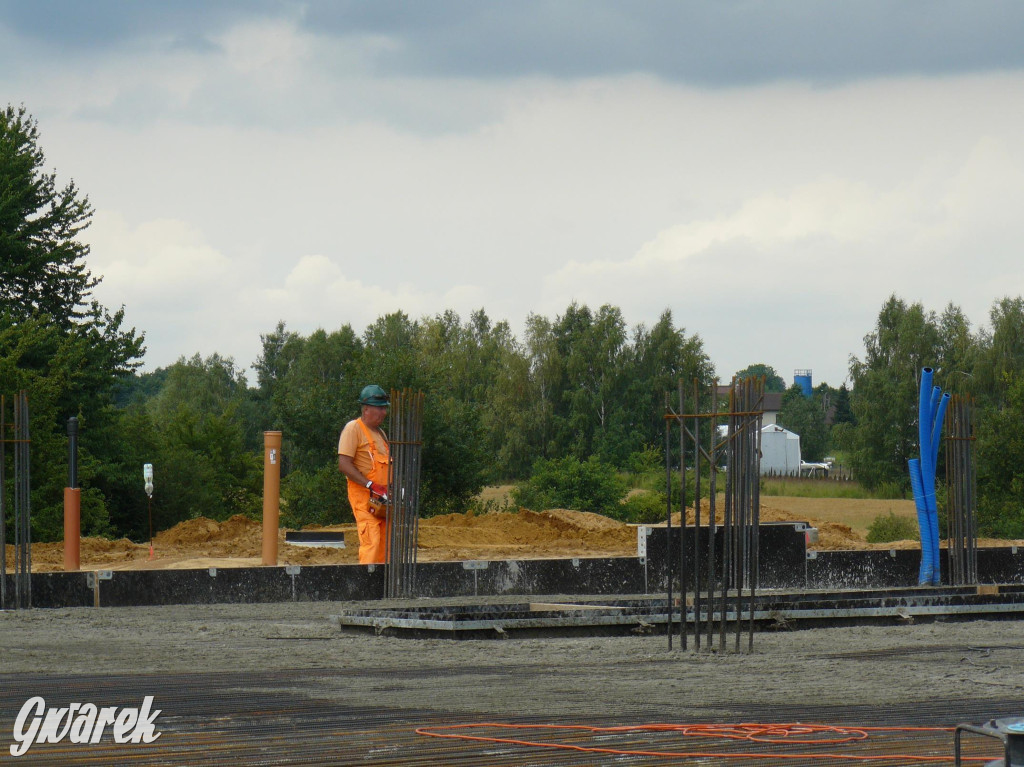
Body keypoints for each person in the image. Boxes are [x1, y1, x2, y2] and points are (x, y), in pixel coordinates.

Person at [337, 384, 391, 564]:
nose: (383, 413)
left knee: (385, 545)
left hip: (381, 499)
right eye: (380, 408)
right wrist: (370, 484)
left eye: (385, 408)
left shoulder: (381, 433)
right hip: (364, 498)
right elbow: (344, 464)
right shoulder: (354, 428)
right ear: (366, 409)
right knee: (372, 539)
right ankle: (366, 586)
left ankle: (382, 588)